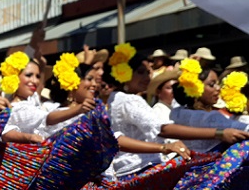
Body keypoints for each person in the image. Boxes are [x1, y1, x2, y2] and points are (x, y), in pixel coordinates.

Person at [103, 46, 247, 178]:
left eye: (148, 72)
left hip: (134, 170)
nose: (147, 77)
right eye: (140, 72)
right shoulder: (129, 100)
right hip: (141, 171)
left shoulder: (116, 98)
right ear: (124, 73)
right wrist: (220, 133)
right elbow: (162, 129)